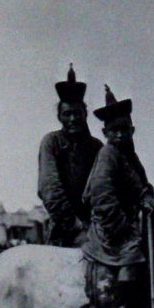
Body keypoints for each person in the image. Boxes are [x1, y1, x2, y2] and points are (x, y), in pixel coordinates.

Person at [81, 85, 154, 308]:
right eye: (113, 131)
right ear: (105, 133)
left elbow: (141, 185)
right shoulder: (108, 155)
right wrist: (124, 228)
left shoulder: (129, 155)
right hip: (110, 228)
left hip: (129, 223)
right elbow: (102, 197)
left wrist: (148, 199)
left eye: (124, 130)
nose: (119, 135)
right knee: (131, 262)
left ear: (132, 130)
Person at [37, 65, 103, 247]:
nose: (73, 119)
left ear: (85, 114)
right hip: (65, 230)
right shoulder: (52, 142)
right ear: (59, 116)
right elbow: (49, 189)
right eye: (67, 114)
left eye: (77, 113)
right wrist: (75, 225)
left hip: (97, 225)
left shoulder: (97, 147)